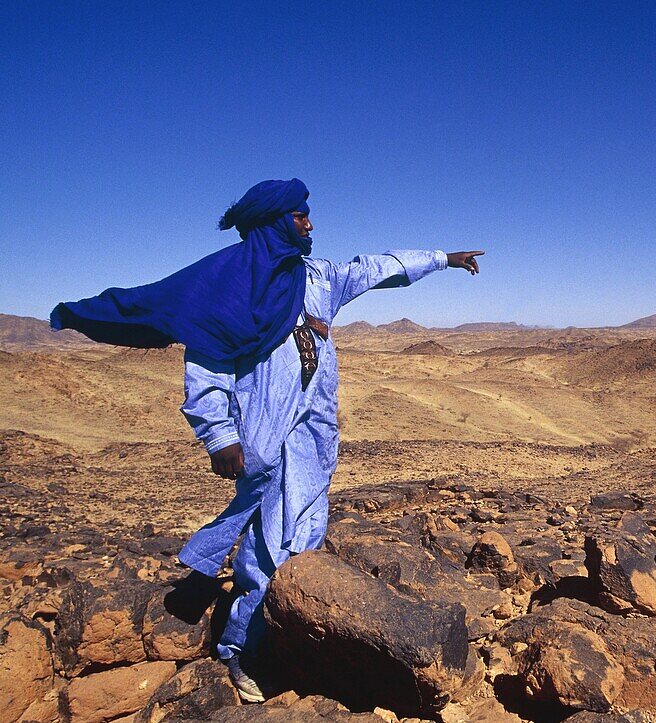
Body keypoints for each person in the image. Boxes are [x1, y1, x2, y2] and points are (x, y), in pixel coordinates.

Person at [51, 178, 483, 702]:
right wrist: (220, 437)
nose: (311, 224)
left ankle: (281, 635)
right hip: (264, 435)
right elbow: (206, 374)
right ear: (276, 221)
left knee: (301, 530)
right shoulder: (230, 290)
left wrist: (443, 259)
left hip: (314, 435)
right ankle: (245, 650)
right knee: (273, 542)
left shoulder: (316, 276)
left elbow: (378, 268)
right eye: (301, 216)